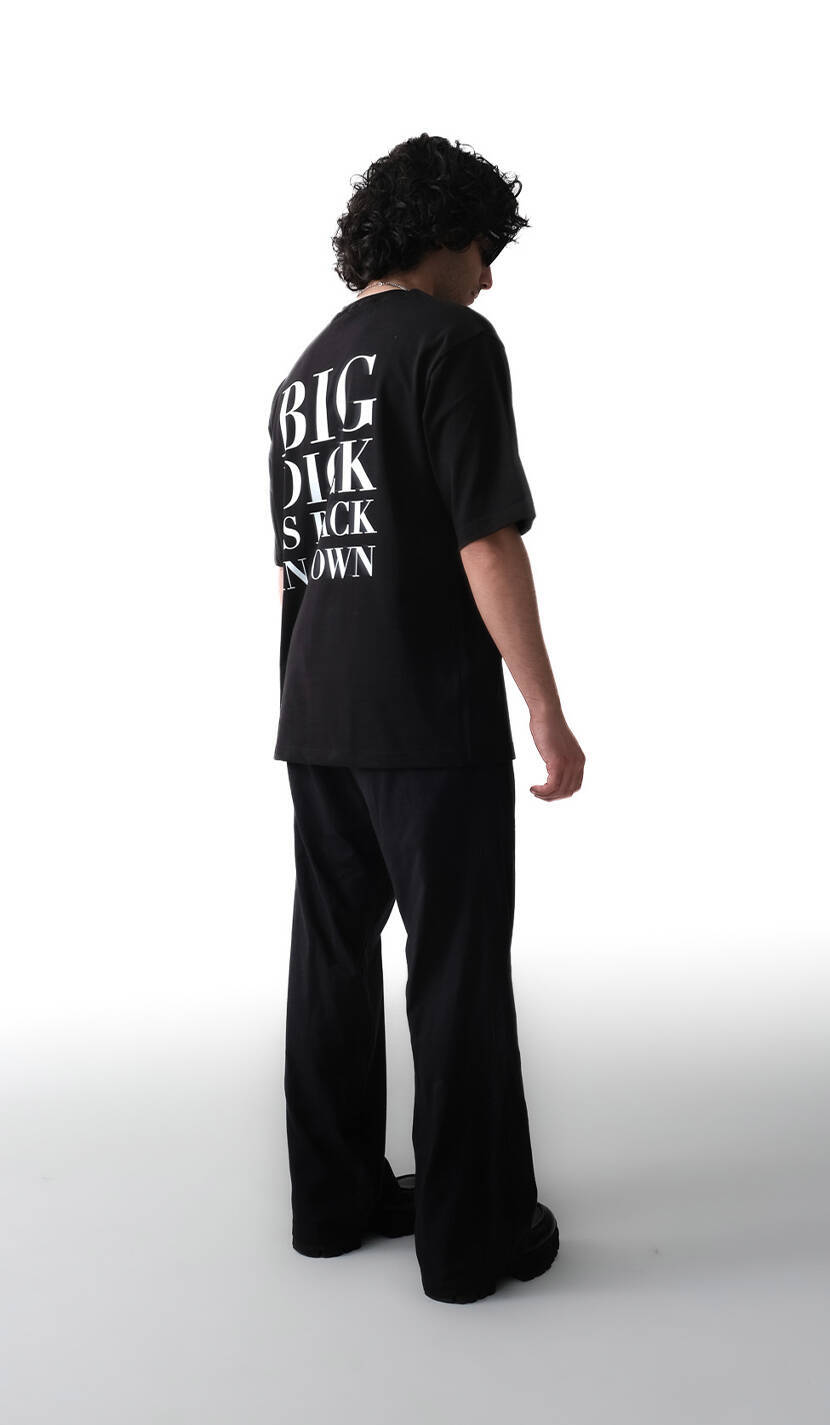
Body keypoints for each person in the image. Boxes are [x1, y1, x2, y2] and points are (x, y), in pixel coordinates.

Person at [267, 133, 585, 1304]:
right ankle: (472, 1239)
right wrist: (543, 707)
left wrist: (303, 701)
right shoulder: (450, 343)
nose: (488, 277)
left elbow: (298, 563)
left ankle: (334, 1204)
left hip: (316, 710)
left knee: (330, 959)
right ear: (440, 234)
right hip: (427, 713)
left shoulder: (302, 375)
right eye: (483, 249)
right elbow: (483, 536)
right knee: (455, 967)